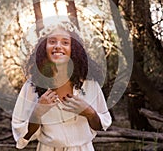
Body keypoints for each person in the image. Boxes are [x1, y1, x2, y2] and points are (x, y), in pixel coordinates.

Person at [12, 21, 112, 150]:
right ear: (44, 48)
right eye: (52, 41)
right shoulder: (32, 86)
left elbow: (101, 125)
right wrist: (36, 114)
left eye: (65, 42)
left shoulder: (89, 84)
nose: (58, 46)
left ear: (74, 49)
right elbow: (24, 135)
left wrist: (89, 112)